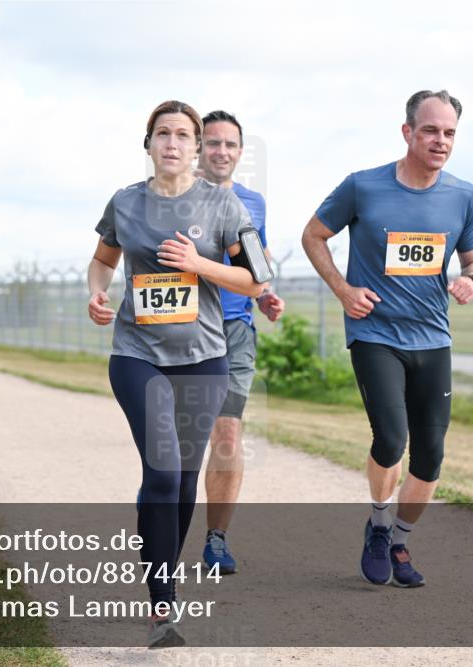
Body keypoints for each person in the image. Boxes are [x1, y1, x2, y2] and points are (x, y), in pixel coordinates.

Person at [87, 100, 266, 649]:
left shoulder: (225, 204)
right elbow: (103, 259)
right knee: (162, 471)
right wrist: (96, 291)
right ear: (148, 144)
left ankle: (163, 568)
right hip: (137, 353)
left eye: (182, 135)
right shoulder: (125, 202)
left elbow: (257, 280)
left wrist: (199, 263)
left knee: (185, 481)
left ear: (195, 147)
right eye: (162, 133)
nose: (172, 143)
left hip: (204, 359)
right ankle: (162, 603)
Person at [302, 90, 473, 588]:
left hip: (433, 338)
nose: (440, 141)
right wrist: (343, 290)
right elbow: (313, 235)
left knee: (430, 454)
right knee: (391, 437)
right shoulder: (363, 187)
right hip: (375, 332)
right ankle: (379, 525)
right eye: (431, 130)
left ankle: (397, 537)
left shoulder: (464, 196)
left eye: (449, 133)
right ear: (407, 132)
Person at [195, 110, 285, 575]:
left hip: (235, 330)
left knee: (228, 433)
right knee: (182, 443)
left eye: (230, 145)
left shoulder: (253, 202)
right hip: (185, 331)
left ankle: (216, 539)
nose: (222, 152)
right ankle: (164, 533)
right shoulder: (173, 200)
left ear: (240, 152)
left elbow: (257, 262)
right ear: (197, 148)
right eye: (213, 143)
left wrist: (266, 295)